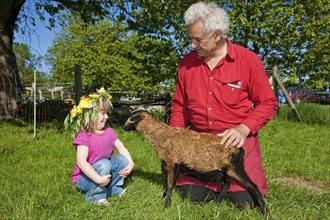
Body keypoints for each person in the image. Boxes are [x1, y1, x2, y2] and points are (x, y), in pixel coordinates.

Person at [169, 2, 278, 209]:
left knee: (246, 203)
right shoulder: (186, 64)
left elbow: (268, 102)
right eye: (190, 39)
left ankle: (235, 184)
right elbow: (180, 107)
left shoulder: (248, 61)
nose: (192, 45)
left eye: (198, 40)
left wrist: (243, 128)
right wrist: (175, 142)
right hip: (200, 147)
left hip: (236, 147)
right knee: (193, 197)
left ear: (217, 35)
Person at [64, 87, 134, 205]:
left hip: (102, 172)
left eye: (107, 113)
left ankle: (113, 188)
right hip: (85, 178)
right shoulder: (84, 136)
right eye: (103, 113)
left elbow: (121, 147)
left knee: (122, 159)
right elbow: (81, 162)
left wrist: (131, 164)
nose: (106, 117)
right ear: (90, 116)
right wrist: (98, 180)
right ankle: (95, 196)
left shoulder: (109, 131)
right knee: (105, 163)